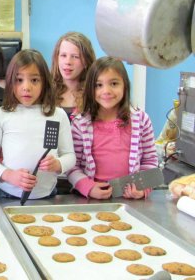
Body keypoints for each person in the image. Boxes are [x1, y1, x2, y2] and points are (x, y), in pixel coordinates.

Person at [0, 49, 75, 200]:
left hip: (47, 195)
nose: (26, 87)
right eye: (19, 80)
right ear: (10, 81)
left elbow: (70, 156)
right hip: (7, 194)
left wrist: (58, 164)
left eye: (34, 80)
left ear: (44, 82)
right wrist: (9, 175)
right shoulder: (0, 114)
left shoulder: (57, 115)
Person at [67, 56, 159, 200]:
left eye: (114, 83)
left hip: (129, 200)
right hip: (91, 199)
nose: (106, 91)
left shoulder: (141, 120)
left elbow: (150, 161)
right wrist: (88, 187)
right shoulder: (80, 124)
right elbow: (72, 166)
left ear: (125, 86)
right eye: (99, 85)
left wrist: (142, 189)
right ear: (91, 89)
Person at [50, 31, 96, 121]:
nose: (68, 62)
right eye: (63, 55)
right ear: (57, 58)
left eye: (75, 57)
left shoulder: (94, 93)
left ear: (86, 61)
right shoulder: (46, 91)